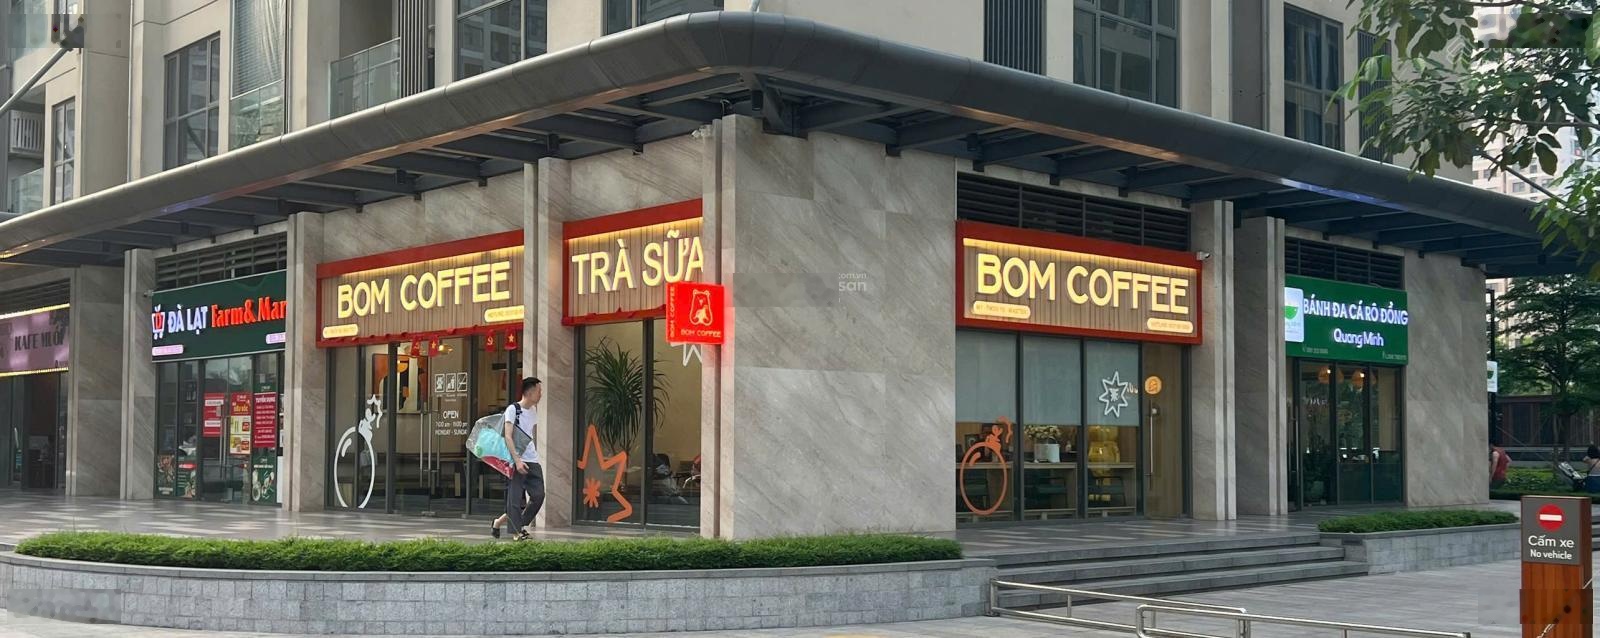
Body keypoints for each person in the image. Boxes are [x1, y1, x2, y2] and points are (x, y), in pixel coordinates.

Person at [500, 377, 545, 541]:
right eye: (539, 391)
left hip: (532, 459)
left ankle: (519, 524)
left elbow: (528, 434)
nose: (541, 394)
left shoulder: (533, 411)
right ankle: (516, 532)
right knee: (515, 497)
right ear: (530, 392)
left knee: (539, 495)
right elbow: (508, 435)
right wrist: (517, 460)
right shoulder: (513, 409)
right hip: (516, 460)